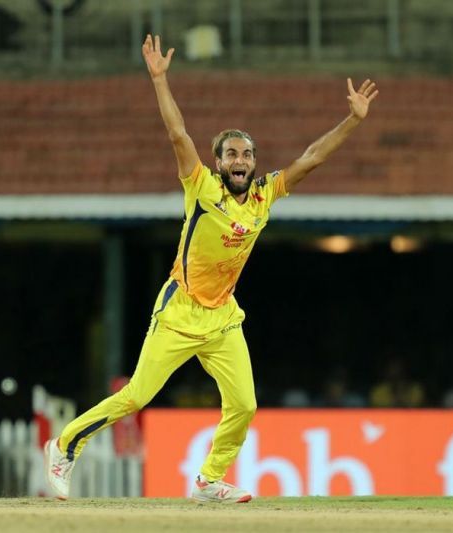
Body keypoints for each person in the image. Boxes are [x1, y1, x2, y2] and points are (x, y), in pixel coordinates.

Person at [43, 34, 378, 503]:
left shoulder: (265, 194)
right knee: (137, 396)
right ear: (218, 162)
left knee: (244, 404)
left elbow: (312, 157)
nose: (240, 161)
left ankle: (208, 480)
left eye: (246, 155)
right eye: (231, 155)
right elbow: (178, 134)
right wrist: (160, 80)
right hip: (180, 309)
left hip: (222, 317)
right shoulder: (201, 187)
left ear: (254, 163)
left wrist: (352, 120)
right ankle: (62, 447)